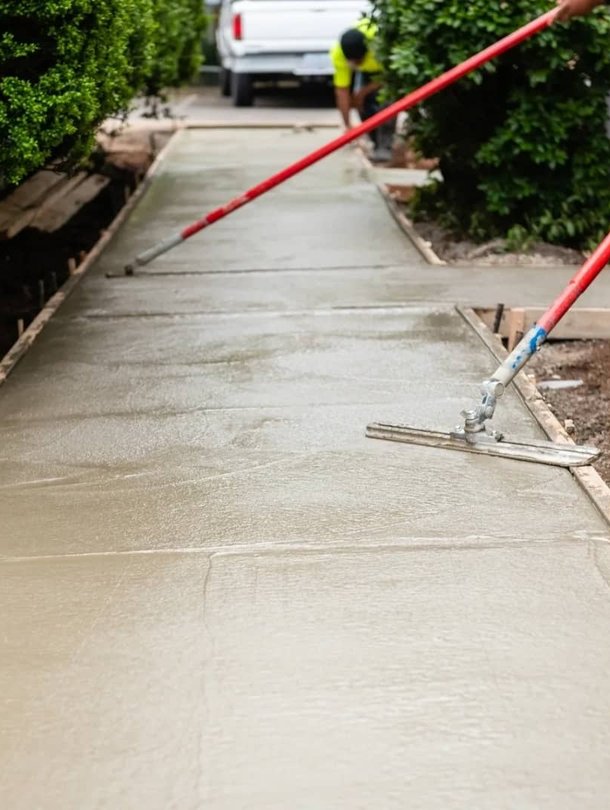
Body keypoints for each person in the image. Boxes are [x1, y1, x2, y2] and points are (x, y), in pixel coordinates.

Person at [329, 17, 395, 162]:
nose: (355, 64)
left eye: (358, 61)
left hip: (388, 68)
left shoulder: (381, 43)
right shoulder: (338, 54)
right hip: (369, 70)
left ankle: (385, 146)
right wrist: (347, 126)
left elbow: (391, 77)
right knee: (363, 105)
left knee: (387, 104)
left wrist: (363, 92)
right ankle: (375, 142)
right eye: (353, 62)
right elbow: (342, 91)